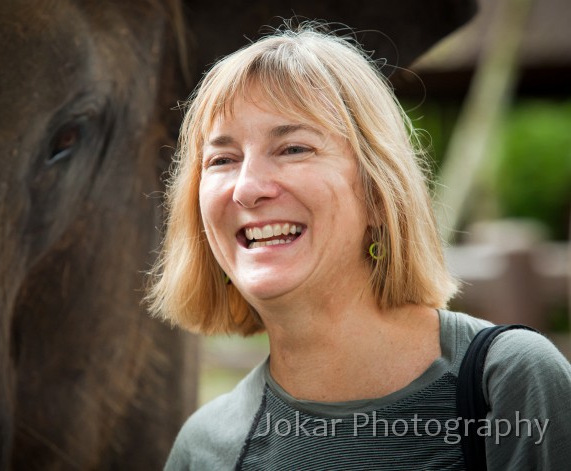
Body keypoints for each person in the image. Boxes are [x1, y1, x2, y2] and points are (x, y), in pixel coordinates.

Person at [145, 24, 571, 470]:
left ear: (376, 191)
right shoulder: (204, 449)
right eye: (222, 160)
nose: (247, 188)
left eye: (293, 148)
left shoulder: (508, 384)